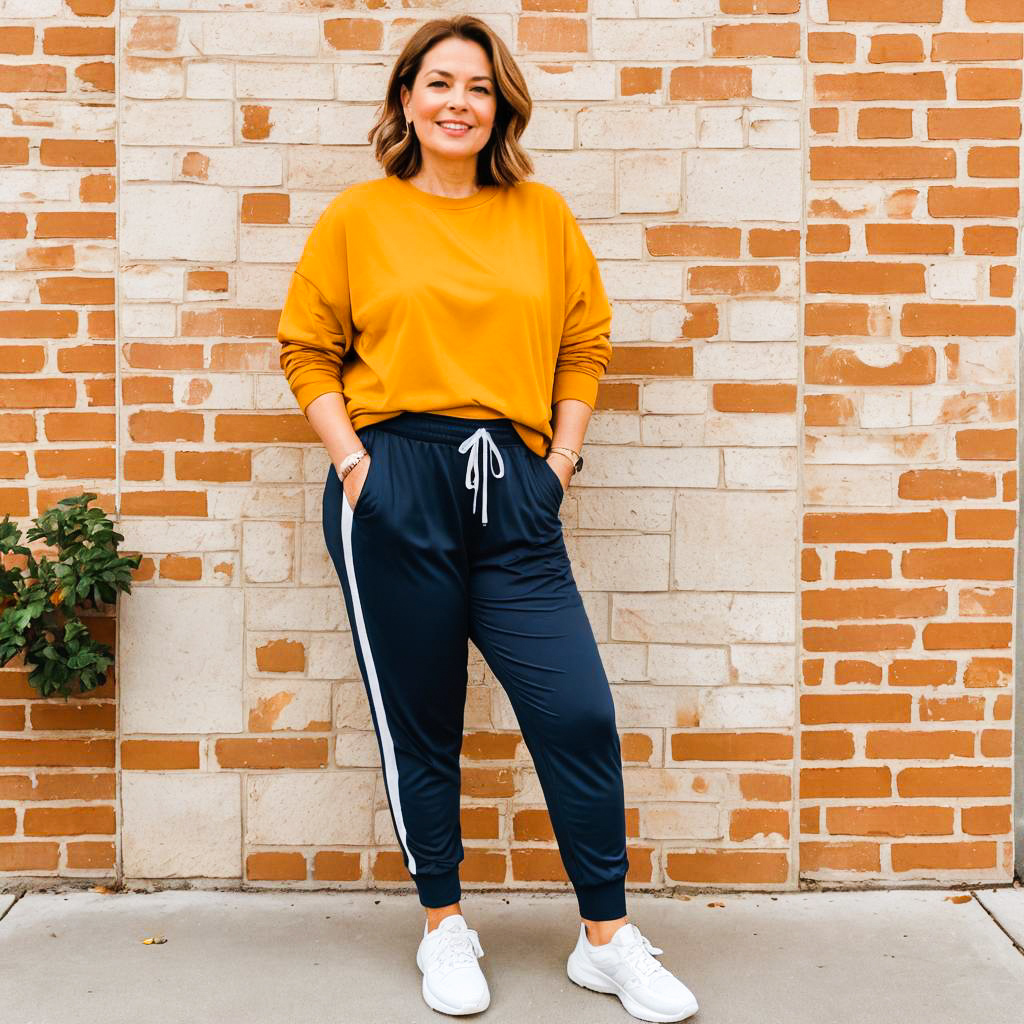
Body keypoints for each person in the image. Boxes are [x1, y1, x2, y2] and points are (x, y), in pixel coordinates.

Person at [276, 14, 699, 1023]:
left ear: (500, 105)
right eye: (437, 83)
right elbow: (305, 350)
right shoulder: (357, 219)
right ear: (405, 101)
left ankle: (606, 937)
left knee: (578, 712)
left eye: (476, 86)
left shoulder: (541, 215)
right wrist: (357, 467)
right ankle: (442, 922)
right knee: (423, 723)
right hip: (394, 481)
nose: (457, 101)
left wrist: (554, 463)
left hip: (513, 483)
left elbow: (585, 343)